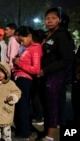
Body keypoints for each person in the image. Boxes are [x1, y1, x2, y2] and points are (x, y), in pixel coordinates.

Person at [37, 7, 74, 141]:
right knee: (46, 106)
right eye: (47, 18)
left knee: (52, 105)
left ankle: (50, 136)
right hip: (44, 76)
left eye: (53, 18)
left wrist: (46, 70)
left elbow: (66, 59)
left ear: (59, 20)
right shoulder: (49, 35)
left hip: (54, 76)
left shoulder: (62, 35)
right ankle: (46, 131)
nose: (50, 21)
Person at [12, 26, 43, 140]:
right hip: (19, 78)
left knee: (23, 106)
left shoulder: (36, 47)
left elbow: (35, 69)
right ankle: (21, 131)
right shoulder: (28, 48)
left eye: (22, 40)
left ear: (29, 36)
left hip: (25, 80)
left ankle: (24, 133)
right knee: (20, 106)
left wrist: (19, 63)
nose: (21, 43)